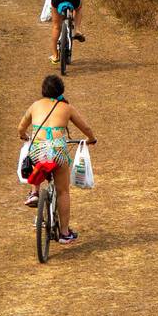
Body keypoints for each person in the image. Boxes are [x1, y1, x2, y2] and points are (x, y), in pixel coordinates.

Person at [18, 75, 96, 243]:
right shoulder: (66, 107)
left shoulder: (35, 106)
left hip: (38, 150)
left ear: (43, 90)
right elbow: (86, 128)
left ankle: (34, 192)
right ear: (61, 90)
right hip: (58, 152)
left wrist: (24, 136)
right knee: (63, 191)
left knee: (35, 160)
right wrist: (91, 139)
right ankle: (64, 232)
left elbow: (21, 127)